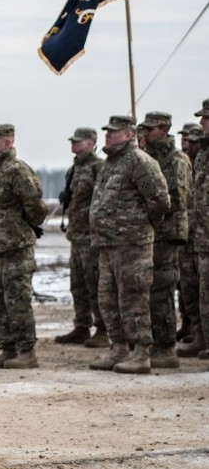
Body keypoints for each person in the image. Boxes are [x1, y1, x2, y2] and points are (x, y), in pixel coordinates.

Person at [89, 115, 170, 374]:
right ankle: (119, 348)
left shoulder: (140, 162)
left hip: (132, 245)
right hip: (108, 245)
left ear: (129, 134)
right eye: (107, 131)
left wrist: (139, 225)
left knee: (133, 299)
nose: (107, 135)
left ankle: (141, 352)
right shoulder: (109, 164)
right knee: (108, 299)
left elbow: (160, 201)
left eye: (113, 132)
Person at [0, 124, 48, 369]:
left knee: (17, 300)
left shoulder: (17, 170)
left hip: (16, 247)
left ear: (7, 143)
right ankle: (7, 349)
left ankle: (26, 351)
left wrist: (21, 227)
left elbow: (36, 207)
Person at [138, 112, 191, 369]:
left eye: (150, 129)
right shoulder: (148, 158)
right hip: (149, 234)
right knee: (148, 292)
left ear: (164, 129)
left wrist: (147, 205)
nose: (145, 133)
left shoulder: (176, 160)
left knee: (162, 292)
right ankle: (153, 343)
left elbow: (178, 199)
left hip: (167, 235)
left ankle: (166, 347)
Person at [55, 128, 107, 347]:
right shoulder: (73, 169)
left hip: (92, 236)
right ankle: (82, 325)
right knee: (77, 284)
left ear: (91, 143)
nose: (73, 145)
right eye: (72, 142)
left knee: (94, 282)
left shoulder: (99, 167)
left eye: (78, 142)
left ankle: (103, 328)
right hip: (76, 235)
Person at [176, 123, 203, 345]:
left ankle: (200, 333)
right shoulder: (188, 164)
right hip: (188, 237)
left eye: (192, 140)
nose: (188, 144)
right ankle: (194, 328)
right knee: (187, 288)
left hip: (201, 237)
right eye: (186, 139)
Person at [189, 103, 209, 366]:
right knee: (204, 295)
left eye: (206, 119)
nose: (202, 124)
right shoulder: (203, 155)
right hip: (204, 239)